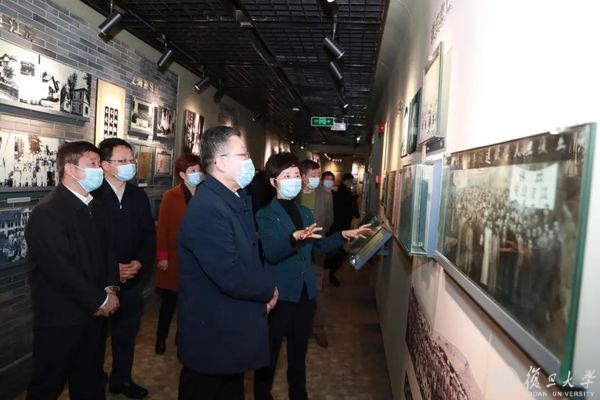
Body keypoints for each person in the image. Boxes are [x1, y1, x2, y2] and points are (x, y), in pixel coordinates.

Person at [254, 152, 371, 400]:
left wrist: (343, 235)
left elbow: (319, 245)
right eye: (287, 176)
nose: (294, 180)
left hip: (305, 294)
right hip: (278, 296)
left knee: (298, 354)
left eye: (296, 175)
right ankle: (262, 395)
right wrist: (293, 238)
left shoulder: (305, 213)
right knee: (269, 353)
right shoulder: (265, 215)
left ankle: (299, 395)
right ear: (274, 182)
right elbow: (272, 253)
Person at [177, 126, 278, 400]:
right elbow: (229, 273)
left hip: (228, 331)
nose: (249, 162)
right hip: (212, 336)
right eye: (243, 155)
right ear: (221, 162)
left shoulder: (232, 199)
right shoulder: (208, 208)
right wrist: (268, 289)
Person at [25, 141, 120, 399]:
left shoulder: (95, 206)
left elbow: (109, 251)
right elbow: (61, 269)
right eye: (93, 164)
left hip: (94, 316)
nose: (99, 169)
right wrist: (100, 300)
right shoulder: (48, 212)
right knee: (48, 385)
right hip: (61, 319)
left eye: (99, 163)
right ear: (70, 169)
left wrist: (111, 286)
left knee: (90, 381)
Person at [93, 138, 156, 399]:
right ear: (105, 165)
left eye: (131, 160)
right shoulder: (93, 195)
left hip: (132, 279)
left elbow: (148, 234)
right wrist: (111, 269)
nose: (130, 165)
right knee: (95, 339)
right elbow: (88, 243)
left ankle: (122, 379)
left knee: (126, 334)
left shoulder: (137, 195)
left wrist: (139, 262)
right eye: (122, 161)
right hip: (99, 282)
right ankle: (95, 384)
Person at [154, 152, 203, 355]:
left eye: (199, 170)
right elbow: (163, 228)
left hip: (198, 259)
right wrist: (162, 256)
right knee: (169, 302)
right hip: (174, 258)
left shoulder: (205, 194)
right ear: (182, 174)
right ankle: (161, 338)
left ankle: (183, 337)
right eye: (192, 170)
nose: (197, 173)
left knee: (190, 304)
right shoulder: (171, 196)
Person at [297, 160, 333, 348]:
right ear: (303, 176)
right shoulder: (292, 194)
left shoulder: (326, 196)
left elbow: (329, 220)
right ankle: (295, 326)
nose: (317, 179)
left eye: (318, 175)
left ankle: (318, 328)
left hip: (317, 248)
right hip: (295, 249)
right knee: (296, 286)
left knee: (318, 289)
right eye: (313, 175)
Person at [325, 172, 360, 286]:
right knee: (334, 253)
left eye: (331, 179)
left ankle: (330, 272)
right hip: (337, 227)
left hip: (339, 226)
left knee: (336, 252)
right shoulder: (341, 192)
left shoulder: (340, 192)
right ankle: (330, 273)